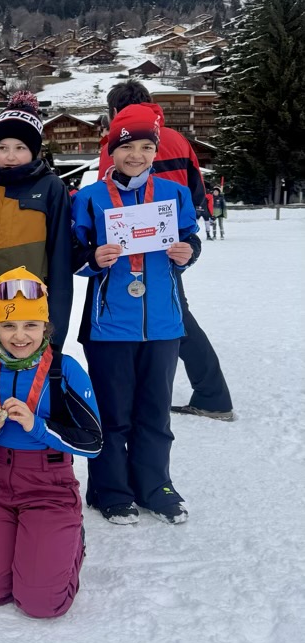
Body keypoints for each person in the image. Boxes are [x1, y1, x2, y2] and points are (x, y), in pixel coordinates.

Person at [73, 105, 200, 525]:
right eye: (127, 147)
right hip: (110, 325)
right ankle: (110, 490)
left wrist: (187, 253)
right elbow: (73, 253)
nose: (137, 155)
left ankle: (156, 486)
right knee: (114, 415)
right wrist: (93, 259)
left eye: (146, 147)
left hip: (163, 323)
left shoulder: (174, 194)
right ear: (112, 151)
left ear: (155, 152)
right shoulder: (90, 198)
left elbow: (190, 240)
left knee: (155, 414)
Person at [0, 268, 101, 617]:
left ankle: (71, 540)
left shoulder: (64, 370)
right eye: (9, 326)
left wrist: (37, 426)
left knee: (42, 603)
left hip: (48, 487)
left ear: (45, 327)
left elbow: (93, 441)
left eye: (31, 325)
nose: (19, 336)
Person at [98, 80, 234, 420]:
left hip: (130, 249)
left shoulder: (117, 142)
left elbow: (107, 197)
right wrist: (182, 233)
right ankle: (209, 394)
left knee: (164, 318)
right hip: (172, 245)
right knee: (172, 314)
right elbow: (198, 191)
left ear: (114, 111)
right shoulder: (176, 139)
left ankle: (210, 395)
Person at [0, 91, 73, 357]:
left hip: (31, 324)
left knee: (30, 383)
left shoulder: (51, 188)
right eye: (2, 148)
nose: (10, 156)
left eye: (20, 148)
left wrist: (56, 332)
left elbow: (61, 261)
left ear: (33, 150)